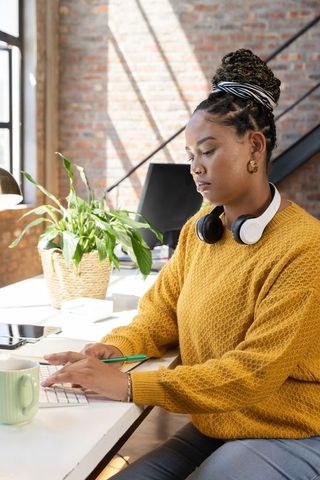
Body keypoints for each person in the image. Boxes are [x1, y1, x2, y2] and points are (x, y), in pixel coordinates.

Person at [42, 49, 320, 479]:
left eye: (207, 151)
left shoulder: (305, 248)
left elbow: (252, 374)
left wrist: (130, 384)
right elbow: (160, 314)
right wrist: (115, 349)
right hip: (221, 420)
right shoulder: (200, 229)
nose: (194, 167)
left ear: (255, 146)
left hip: (291, 429)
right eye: (190, 154)